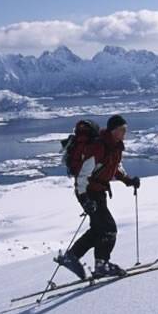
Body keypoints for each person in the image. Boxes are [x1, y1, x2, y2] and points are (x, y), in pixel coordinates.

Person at [56, 114, 140, 279]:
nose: (125, 133)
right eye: (122, 130)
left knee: (97, 229)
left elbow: (113, 168)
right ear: (114, 130)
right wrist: (85, 198)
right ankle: (101, 265)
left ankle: (72, 257)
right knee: (109, 229)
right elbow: (83, 175)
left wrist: (128, 180)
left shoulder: (114, 146)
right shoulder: (99, 147)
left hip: (97, 192)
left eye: (125, 130)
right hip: (88, 191)